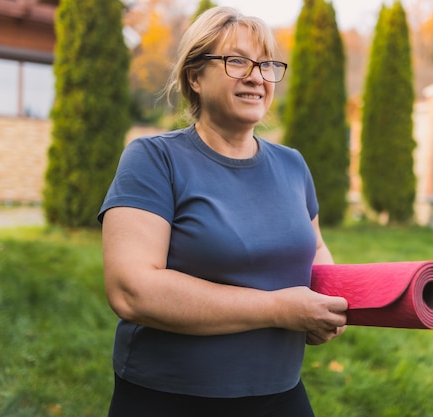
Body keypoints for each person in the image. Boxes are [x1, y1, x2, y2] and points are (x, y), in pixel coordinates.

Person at [98, 6, 348, 417]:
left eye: (267, 64)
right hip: (169, 397)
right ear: (195, 77)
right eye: (237, 61)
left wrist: (326, 306)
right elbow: (132, 290)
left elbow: (316, 248)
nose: (256, 76)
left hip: (281, 393)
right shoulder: (153, 159)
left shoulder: (293, 165)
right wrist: (279, 309)